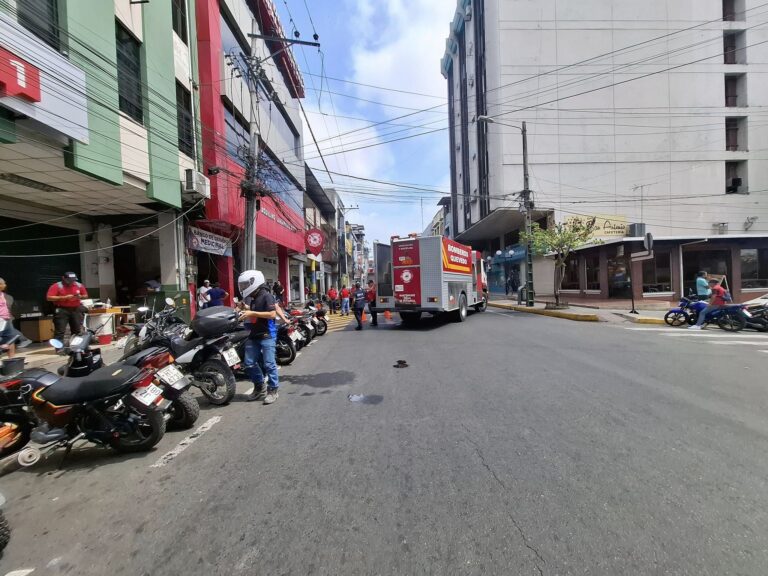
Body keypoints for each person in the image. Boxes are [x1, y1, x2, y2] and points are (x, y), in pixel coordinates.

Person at [237, 270, 279, 404]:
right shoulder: (255, 298)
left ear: (254, 282)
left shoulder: (267, 296)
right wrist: (246, 307)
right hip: (254, 334)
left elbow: (272, 314)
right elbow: (257, 310)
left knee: (269, 364)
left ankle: (273, 390)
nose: (243, 288)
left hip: (267, 335)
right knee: (248, 363)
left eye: (245, 285)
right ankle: (259, 386)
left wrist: (251, 311)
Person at [46, 272, 88, 343]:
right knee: (60, 331)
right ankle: (59, 348)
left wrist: (80, 297)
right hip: (62, 309)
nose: (72, 282)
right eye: (69, 280)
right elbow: (49, 298)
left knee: (77, 330)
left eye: (73, 280)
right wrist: (64, 298)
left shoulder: (79, 285)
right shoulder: (57, 286)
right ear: (63, 278)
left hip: (75, 309)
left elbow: (85, 295)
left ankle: (75, 346)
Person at [0, 278, 30, 357]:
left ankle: (12, 359)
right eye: (3, 284)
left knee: (10, 339)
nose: (5, 285)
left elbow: (8, 307)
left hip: (6, 319)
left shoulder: (6, 296)